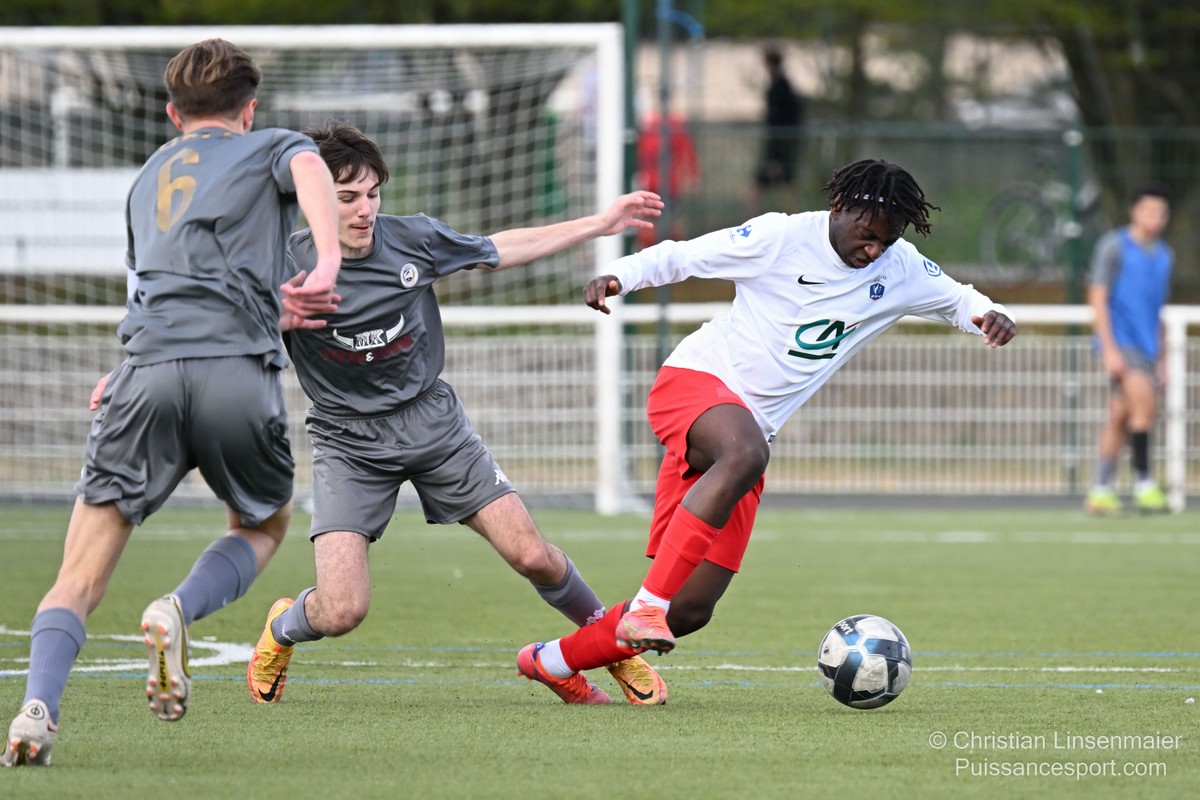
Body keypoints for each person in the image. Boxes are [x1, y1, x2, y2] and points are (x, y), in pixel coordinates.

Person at [516, 159, 1017, 701]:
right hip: (696, 383)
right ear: (839, 207)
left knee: (692, 608)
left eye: (886, 241)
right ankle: (646, 607)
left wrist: (989, 314)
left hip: (746, 438)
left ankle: (552, 660)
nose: (874, 250)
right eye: (867, 235)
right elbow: (685, 256)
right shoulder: (780, 236)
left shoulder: (899, 267)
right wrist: (620, 276)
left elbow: (958, 299)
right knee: (744, 458)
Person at [244, 121, 669, 708]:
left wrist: (600, 223)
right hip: (348, 441)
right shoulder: (280, 267)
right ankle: (282, 629)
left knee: (532, 555)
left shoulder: (413, 240)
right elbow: (225, 329)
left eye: (372, 194)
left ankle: (609, 648)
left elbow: (501, 249)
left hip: (433, 424)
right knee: (342, 610)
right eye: (346, 198)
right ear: (313, 199)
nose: (365, 210)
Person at [1, 39, 342, 767]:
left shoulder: (147, 177)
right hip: (234, 375)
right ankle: (179, 607)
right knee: (263, 523)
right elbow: (311, 167)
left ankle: (36, 710)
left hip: (145, 373)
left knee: (78, 575)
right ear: (249, 111)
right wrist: (329, 259)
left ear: (171, 113)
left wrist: (124, 369)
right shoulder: (271, 146)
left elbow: (155, 290)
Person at [1083, 184, 1173, 515]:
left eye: (1160, 212)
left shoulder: (1164, 255)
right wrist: (1109, 349)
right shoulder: (1115, 246)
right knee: (1146, 406)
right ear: (1134, 211)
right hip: (1122, 343)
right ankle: (1145, 484)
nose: (1154, 218)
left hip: (1148, 348)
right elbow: (1098, 296)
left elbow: (1158, 310)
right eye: (1148, 210)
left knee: (1120, 416)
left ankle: (1100, 491)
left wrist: (1162, 359)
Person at [746, 47, 805, 216]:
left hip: (777, 151)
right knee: (780, 190)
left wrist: (775, 156)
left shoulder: (780, 88)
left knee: (765, 192)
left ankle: (755, 226)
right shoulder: (781, 86)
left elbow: (779, 121)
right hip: (778, 149)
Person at [635, 107, 700, 249]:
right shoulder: (653, 124)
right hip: (659, 185)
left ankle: (663, 255)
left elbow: (686, 153)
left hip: (665, 185)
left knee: (664, 222)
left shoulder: (667, 124)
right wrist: (692, 174)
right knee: (656, 222)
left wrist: (691, 174)